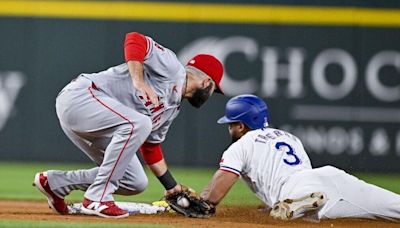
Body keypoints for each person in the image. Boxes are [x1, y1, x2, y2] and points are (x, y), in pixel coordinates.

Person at [33, 32, 224, 218]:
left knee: (135, 181)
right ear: (207, 82)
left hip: (99, 121)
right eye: (214, 90)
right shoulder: (173, 69)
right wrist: (139, 81)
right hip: (81, 98)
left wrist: (172, 187)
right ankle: (97, 197)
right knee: (140, 123)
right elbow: (135, 39)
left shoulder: (172, 109)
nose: (210, 95)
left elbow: (151, 148)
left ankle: (56, 183)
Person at [200, 94, 400, 222]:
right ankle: (296, 203)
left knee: (296, 215)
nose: (229, 127)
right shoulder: (288, 137)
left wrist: (198, 201)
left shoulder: (240, 146)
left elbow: (214, 196)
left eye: (231, 123)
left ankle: (296, 205)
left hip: (296, 189)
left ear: (241, 126)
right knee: (393, 206)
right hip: (328, 176)